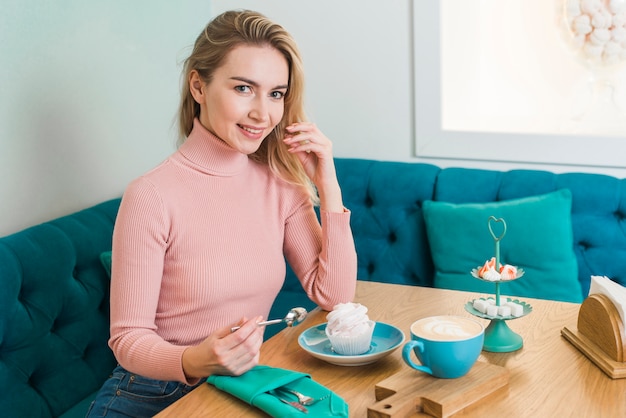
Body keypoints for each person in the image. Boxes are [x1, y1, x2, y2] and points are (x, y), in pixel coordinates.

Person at [86, 9, 357, 418]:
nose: (262, 114)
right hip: (148, 395)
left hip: (240, 388)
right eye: (244, 88)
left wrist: (327, 185)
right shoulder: (150, 195)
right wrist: (197, 360)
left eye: (276, 94)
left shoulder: (281, 187)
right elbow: (128, 339)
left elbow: (334, 295)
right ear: (199, 85)